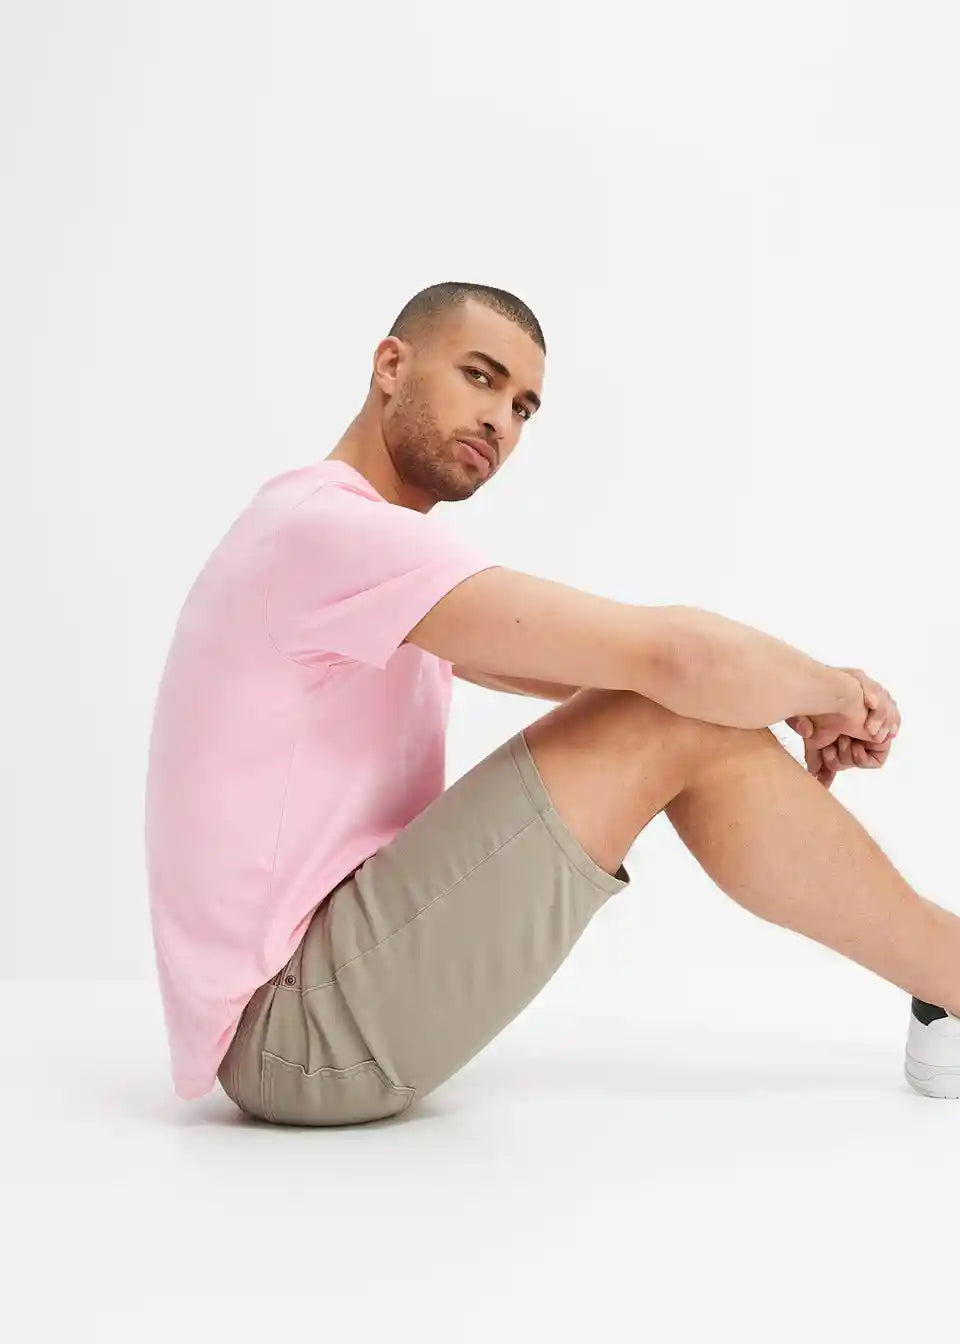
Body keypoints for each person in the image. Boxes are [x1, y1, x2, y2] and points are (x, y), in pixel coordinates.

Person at [144, 280, 960, 1124]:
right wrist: (835, 693)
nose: (500, 421)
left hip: (319, 1001)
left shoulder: (330, 541)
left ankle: (949, 986)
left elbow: (627, 673)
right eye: (479, 376)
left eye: (523, 408)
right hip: (300, 1035)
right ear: (391, 365)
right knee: (669, 709)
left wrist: (777, 701)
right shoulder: (332, 532)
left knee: (676, 705)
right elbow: (674, 660)